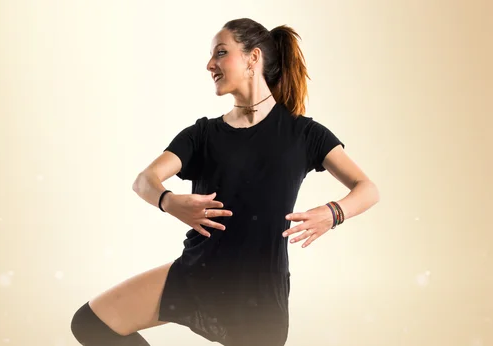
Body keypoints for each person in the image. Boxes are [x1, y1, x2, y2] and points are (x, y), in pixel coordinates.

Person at [70, 17, 380, 346]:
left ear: (253, 58)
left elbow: (367, 189)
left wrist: (332, 212)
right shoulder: (202, 135)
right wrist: (169, 201)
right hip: (196, 274)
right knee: (89, 322)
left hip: (260, 293)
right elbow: (144, 180)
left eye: (221, 53)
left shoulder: (304, 134)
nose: (209, 65)